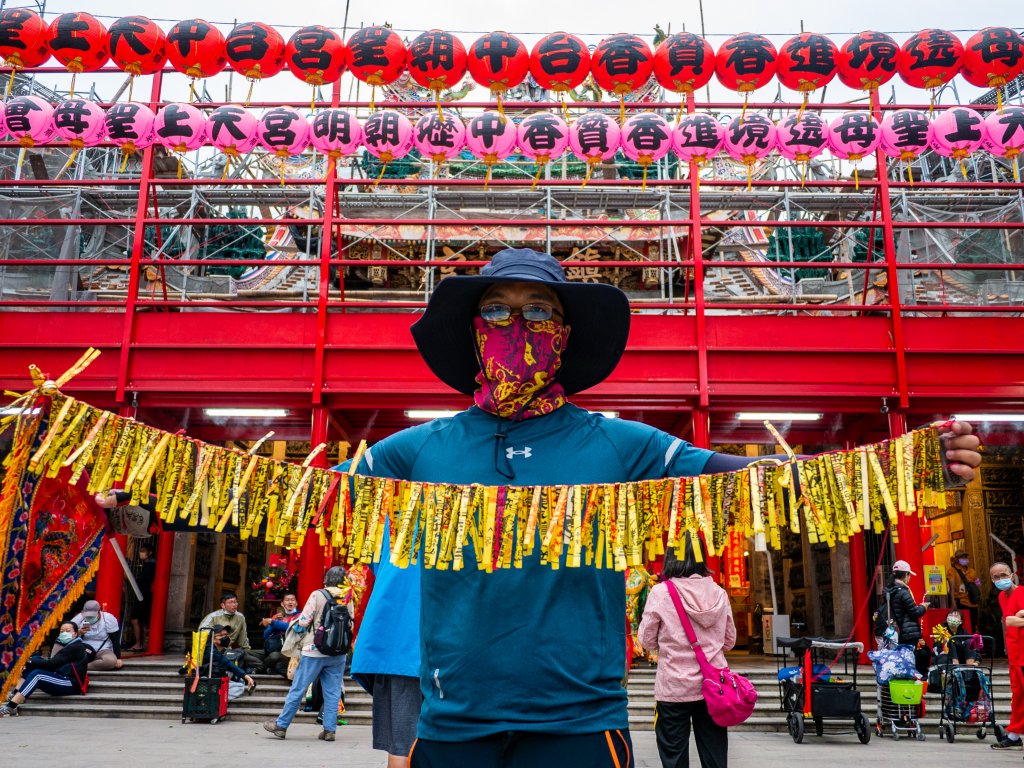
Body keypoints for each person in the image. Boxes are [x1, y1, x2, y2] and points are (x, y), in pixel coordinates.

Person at [336, 248, 984, 767]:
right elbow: (303, 495)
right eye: (498, 313)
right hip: (452, 722)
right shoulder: (418, 450)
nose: (518, 326)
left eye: (538, 311)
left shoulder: (616, 442)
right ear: (476, 335)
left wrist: (906, 466)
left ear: (562, 335)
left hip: (579, 722)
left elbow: (751, 478)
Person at [638, 537, 736, 768]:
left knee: (674, 757)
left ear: (671, 556)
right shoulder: (719, 593)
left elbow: (646, 640)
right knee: (715, 756)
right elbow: (730, 641)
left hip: (674, 687)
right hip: (714, 688)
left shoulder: (661, 593)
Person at [262, 566, 353, 742]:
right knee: (333, 692)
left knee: (298, 688)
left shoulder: (317, 595)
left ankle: (281, 726)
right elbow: (350, 624)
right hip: (338, 653)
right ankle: (329, 730)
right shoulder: (348, 596)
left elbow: (303, 621)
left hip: (314, 650)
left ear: (326, 579)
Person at [0, 622, 93, 716]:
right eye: (61, 631)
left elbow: (52, 664)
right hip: (60, 675)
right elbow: (52, 661)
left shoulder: (77, 647)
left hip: (71, 683)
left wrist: (27, 660)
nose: (64, 633)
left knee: (37, 675)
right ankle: (16, 694)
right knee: (34, 660)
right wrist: (29, 662)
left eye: (67, 631)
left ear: (76, 633)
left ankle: (11, 706)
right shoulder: (66, 644)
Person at [991, 561, 1024, 749]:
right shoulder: (1002, 597)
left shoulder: (1022, 592)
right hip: (1014, 654)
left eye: (1004, 575)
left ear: (1012, 575)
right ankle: (1013, 736)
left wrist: (1016, 617)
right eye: (996, 577)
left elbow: (1011, 621)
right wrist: (1016, 617)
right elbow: (1010, 621)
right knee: (1018, 695)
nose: (1000, 579)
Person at [199, 592, 261, 670]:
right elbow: (202, 632)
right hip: (215, 651)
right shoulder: (213, 616)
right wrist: (217, 638)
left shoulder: (240, 617)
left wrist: (246, 651)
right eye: (230, 602)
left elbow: (243, 637)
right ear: (223, 605)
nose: (234, 605)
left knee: (256, 658)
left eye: (235, 602)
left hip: (231, 650)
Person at [198, 625, 256, 701]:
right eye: (221, 635)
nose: (225, 637)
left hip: (215, 677)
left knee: (238, 679)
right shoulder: (211, 651)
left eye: (226, 635)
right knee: (240, 687)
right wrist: (246, 676)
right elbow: (228, 663)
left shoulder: (217, 649)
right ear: (213, 639)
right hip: (208, 681)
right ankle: (217, 699)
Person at [69, 599, 123, 671]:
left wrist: (118, 658)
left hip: (103, 649)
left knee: (110, 661)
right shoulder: (79, 618)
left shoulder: (108, 618)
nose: (90, 617)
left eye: (92, 615)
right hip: (84, 648)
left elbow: (115, 640)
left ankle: (79, 667)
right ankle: (77, 666)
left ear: (99, 611)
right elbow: (66, 635)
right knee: (71, 656)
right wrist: (78, 632)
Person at [260, 593, 300, 677]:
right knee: (247, 654)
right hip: (274, 648)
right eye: (287, 600)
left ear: (296, 603)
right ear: (282, 604)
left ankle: (260, 669)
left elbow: (290, 628)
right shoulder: (276, 617)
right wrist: (273, 625)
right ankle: (271, 668)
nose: (290, 602)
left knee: (274, 657)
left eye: (292, 600)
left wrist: (274, 622)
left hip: (290, 651)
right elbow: (265, 635)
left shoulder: (299, 616)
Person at [128, 542, 157, 651]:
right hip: (143, 593)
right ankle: (141, 644)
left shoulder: (151, 565)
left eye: (144, 551)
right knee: (142, 620)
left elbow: (144, 579)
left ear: (149, 553)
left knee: (135, 619)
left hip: (143, 594)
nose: (141, 553)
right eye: (141, 550)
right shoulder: (148, 564)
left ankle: (139, 643)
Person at [949, 550, 981, 632]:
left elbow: (978, 584)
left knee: (973, 626)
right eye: (962, 557)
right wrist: (953, 603)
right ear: (956, 559)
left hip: (973, 603)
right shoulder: (952, 571)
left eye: (966, 557)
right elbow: (951, 588)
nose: (965, 559)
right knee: (963, 626)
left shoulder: (972, 571)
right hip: (961, 603)